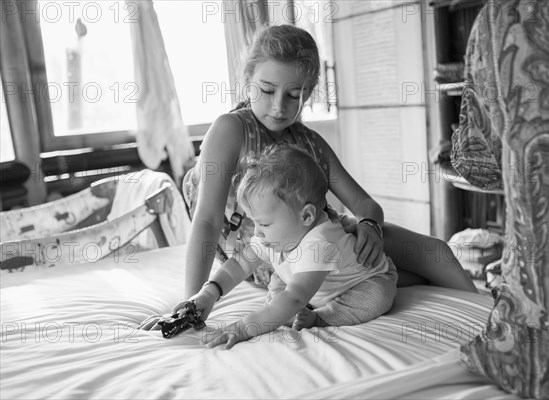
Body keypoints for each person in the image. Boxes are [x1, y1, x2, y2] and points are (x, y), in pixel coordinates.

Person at [140, 24, 475, 331]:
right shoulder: (232, 129)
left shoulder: (309, 141)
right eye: (267, 90)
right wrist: (191, 305)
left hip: (326, 240)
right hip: (273, 254)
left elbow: (364, 203)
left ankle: (494, 324)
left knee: (437, 254)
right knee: (394, 276)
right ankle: (376, 282)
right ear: (247, 81)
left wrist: (370, 226)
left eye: (294, 94)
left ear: (309, 91)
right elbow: (209, 219)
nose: (279, 106)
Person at [196, 143, 398, 348]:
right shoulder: (274, 235)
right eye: (254, 222)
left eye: (264, 223)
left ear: (307, 216)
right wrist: (209, 293)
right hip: (311, 283)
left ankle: (321, 317)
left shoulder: (319, 244)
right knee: (279, 284)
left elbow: (294, 297)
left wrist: (244, 328)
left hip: (363, 283)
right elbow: (239, 265)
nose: (256, 232)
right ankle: (282, 311)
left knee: (378, 296)